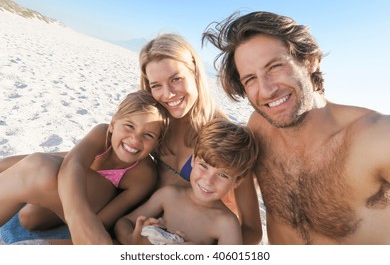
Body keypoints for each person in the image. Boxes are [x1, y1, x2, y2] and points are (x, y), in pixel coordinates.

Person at [0, 33, 262, 245]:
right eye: (155, 85)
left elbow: (251, 229)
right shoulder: (157, 121)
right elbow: (97, 154)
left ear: (195, 72)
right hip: (125, 216)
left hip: (156, 230)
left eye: (176, 79)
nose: (168, 94)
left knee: (37, 177)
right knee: (31, 215)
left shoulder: (225, 139)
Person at [202, 11, 390, 245]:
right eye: (250, 79)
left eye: (275, 67)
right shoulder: (258, 128)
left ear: (310, 61)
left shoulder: (377, 138)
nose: (267, 90)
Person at [0, 90, 169, 244]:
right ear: (113, 124)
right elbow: (69, 159)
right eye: (129, 126)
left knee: (37, 168)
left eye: (148, 135)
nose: (135, 140)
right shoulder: (103, 134)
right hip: (71, 197)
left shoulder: (144, 174)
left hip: (93, 210)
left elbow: (104, 220)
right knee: (28, 218)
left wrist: (80, 222)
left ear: (157, 143)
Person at [114, 118, 259, 245]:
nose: (208, 181)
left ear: (237, 181)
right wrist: (130, 239)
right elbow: (123, 222)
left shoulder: (226, 224)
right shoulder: (169, 195)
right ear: (194, 159)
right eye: (203, 166)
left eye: (222, 175)